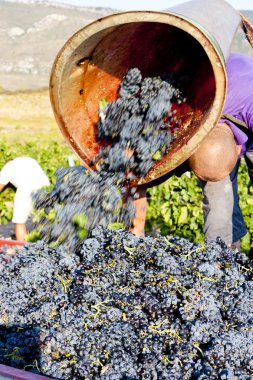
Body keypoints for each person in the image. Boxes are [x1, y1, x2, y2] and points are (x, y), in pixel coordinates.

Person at [131, 53, 253, 250]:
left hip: (246, 92)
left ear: (239, 148)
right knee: (217, 197)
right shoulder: (180, 119)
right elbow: (140, 179)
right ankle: (224, 256)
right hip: (212, 96)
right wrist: (134, 240)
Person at [0, 157, 50, 241]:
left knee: (19, 221)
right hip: (46, 186)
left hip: (27, 187)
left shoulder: (7, 167)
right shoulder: (30, 160)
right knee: (45, 218)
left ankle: (21, 249)